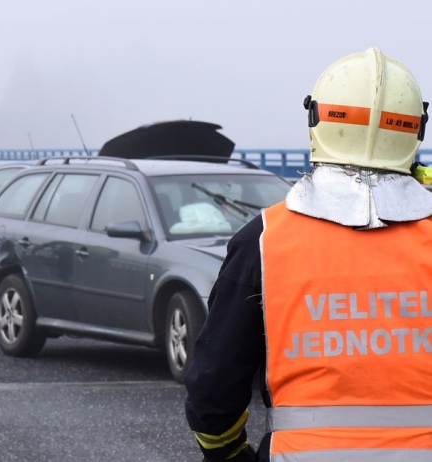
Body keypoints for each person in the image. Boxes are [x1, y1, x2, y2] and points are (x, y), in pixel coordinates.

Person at [184, 47, 432, 462]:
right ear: (416, 128)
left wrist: (231, 454)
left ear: (317, 120)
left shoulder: (262, 241)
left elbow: (213, 390)